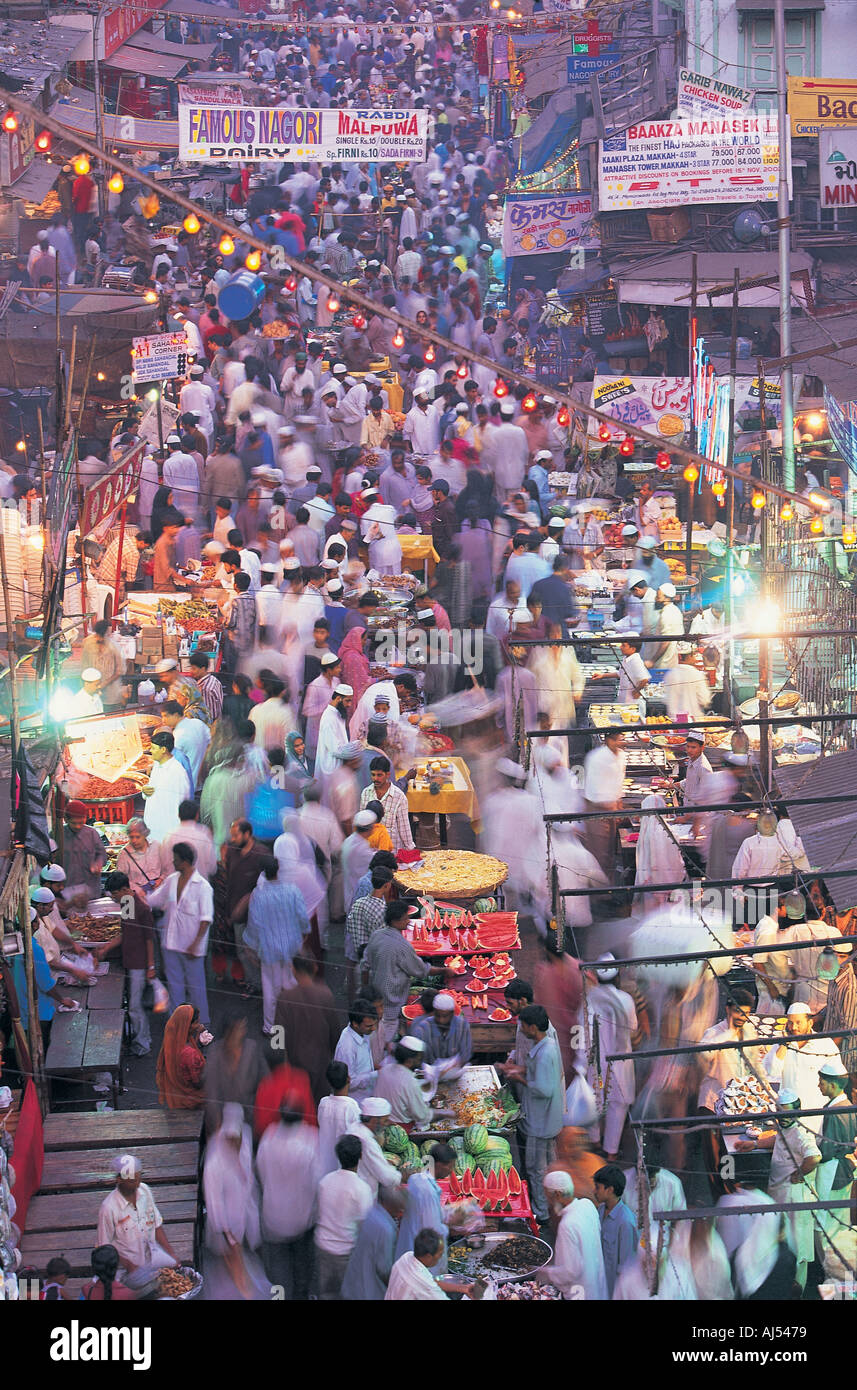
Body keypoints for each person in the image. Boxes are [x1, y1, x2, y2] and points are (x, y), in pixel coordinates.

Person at [734, 1090, 821, 1291]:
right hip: (781, 1195)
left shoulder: (800, 1132)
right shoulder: (786, 1125)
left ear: (797, 1111)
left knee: (797, 1247)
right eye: (780, 1112)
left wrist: (799, 1174)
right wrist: (754, 1143)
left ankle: (796, 1290)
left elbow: (814, 1157)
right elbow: (778, 1139)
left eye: (786, 1112)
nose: (782, 1116)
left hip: (794, 1198)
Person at [256, 1099, 320, 1300]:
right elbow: (317, 1181)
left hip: (273, 1220)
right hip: (303, 1221)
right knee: (302, 1274)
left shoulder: (268, 1137)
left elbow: (261, 1175)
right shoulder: (311, 1139)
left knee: (278, 1278)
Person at [147, 843, 213, 1025]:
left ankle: (201, 1026)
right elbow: (154, 900)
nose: (172, 861)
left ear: (184, 861)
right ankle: (177, 1026)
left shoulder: (203, 887)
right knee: (175, 987)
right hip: (170, 943)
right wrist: (134, 896)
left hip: (192, 948)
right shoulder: (172, 880)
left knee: (196, 989)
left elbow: (206, 919)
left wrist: (195, 943)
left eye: (175, 858)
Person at [243, 856, 309, 1035]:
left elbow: (254, 924)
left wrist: (250, 947)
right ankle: (293, 1021)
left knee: (270, 988)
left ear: (263, 872)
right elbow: (303, 917)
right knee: (291, 983)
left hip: (269, 948)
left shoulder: (259, 894)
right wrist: (303, 934)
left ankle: (270, 1027)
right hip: (292, 946)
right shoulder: (292, 890)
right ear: (278, 869)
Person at [203, 1103, 262, 1299]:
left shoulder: (244, 1139)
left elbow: (248, 1174)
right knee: (234, 1263)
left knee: (241, 1258)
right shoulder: (214, 1163)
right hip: (226, 1223)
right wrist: (226, 1233)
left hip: (242, 1214)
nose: (235, 1143)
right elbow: (214, 1202)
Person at [582, 954, 638, 1161]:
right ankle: (611, 1152)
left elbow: (581, 1032)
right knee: (618, 1104)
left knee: (595, 1100)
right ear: (617, 976)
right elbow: (633, 1029)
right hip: (621, 1061)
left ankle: (595, 1142)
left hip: (595, 1061)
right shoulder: (626, 1000)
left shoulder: (588, 999)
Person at [517, 1004, 565, 1226]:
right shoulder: (548, 1045)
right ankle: (555, 1204)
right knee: (549, 1165)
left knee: (536, 1169)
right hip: (548, 1120)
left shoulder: (544, 1053)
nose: (522, 1028)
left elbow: (544, 1090)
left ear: (533, 1027)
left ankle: (541, 1213)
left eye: (524, 1025)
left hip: (539, 1122)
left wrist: (522, 1080)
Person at [761, 1002, 843, 1131]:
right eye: (790, 1022)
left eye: (798, 1022)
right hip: (789, 1115)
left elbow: (837, 1079)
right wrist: (784, 1044)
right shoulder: (780, 1045)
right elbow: (772, 1071)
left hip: (817, 1116)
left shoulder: (825, 1043)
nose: (794, 1027)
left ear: (810, 1023)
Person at [96, 1155, 179, 1278]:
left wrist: (171, 1253)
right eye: (131, 1181)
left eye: (138, 1179)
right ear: (119, 1180)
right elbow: (103, 1247)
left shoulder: (144, 1190)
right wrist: (129, 1265)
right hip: (125, 1272)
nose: (137, 1185)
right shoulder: (108, 1208)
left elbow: (156, 1224)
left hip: (152, 1259)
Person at [363, 899, 431, 1048]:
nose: (408, 921)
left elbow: (365, 965)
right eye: (405, 918)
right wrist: (443, 970)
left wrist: (365, 990)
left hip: (376, 993)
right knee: (385, 1035)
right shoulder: (402, 945)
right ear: (396, 921)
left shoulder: (376, 935)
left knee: (377, 1029)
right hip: (392, 997)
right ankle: (384, 1056)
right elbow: (419, 970)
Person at [102, 869, 155, 1056]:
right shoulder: (127, 903)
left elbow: (150, 939)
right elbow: (125, 933)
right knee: (134, 1004)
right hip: (129, 960)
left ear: (125, 889)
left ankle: (142, 1045)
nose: (113, 898)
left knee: (134, 1006)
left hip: (139, 964)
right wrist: (106, 947)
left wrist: (151, 966)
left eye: (115, 894)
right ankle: (141, 1038)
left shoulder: (142, 909)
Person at [275, 955, 341, 1105]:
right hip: (321, 1062)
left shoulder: (285, 998)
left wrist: (279, 1063)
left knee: (299, 1104)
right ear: (315, 968)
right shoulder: (325, 994)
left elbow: (277, 1038)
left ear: (294, 970)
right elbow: (334, 1032)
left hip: (295, 1065)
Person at [314, 1133, 373, 1299]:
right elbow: (364, 1226)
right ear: (361, 1156)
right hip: (346, 1253)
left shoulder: (325, 1181)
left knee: (326, 1294)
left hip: (323, 1247)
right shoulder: (362, 1189)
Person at [541, 1169, 608, 1301]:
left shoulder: (567, 1225)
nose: (547, 1201)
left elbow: (569, 1271)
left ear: (557, 1194)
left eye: (548, 1196)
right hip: (597, 1285)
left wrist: (546, 1273)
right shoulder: (587, 1205)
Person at [205, 1012, 266, 1137]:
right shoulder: (215, 1053)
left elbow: (265, 1080)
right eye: (239, 1029)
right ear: (228, 1032)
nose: (243, 1032)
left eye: (244, 1027)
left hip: (249, 1118)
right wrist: (217, 1123)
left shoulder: (252, 1049)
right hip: (223, 1121)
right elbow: (211, 1092)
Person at [341, 1186, 406, 1301]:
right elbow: (384, 1269)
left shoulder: (373, 1212)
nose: (401, 1212)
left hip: (353, 1281)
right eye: (400, 1209)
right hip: (366, 1289)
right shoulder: (385, 1230)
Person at [593, 1164, 639, 1298]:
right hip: (599, 1283)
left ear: (610, 1190)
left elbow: (626, 1267)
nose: (594, 1191)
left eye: (598, 1187)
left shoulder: (626, 1222)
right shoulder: (600, 1210)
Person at [386, 1228, 469, 1301]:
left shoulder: (406, 1257)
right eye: (440, 1253)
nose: (441, 1256)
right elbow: (429, 1286)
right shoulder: (427, 1288)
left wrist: (463, 1288)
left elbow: (432, 1281)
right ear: (429, 1256)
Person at [348, 1096, 404, 1197]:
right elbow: (387, 1178)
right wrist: (402, 1176)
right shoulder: (367, 1141)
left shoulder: (355, 1127)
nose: (387, 1124)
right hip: (363, 1194)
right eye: (385, 1120)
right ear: (374, 1120)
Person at [142, 731, 192, 843]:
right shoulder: (157, 765)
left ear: (163, 750)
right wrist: (145, 791)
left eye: (153, 748)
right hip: (152, 828)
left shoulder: (178, 773)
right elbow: (151, 790)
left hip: (168, 833)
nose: (150, 751)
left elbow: (182, 806)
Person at [375, 1036, 434, 1130]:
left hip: (381, 1125)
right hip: (400, 1130)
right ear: (409, 1061)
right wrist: (441, 1114)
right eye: (419, 1059)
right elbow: (421, 1116)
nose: (420, 1063)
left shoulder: (385, 1070)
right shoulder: (410, 1081)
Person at [358, 755, 415, 851]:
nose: (375, 778)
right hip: (370, 852)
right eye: (373, 775)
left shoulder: (399, 797)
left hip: (392, 853)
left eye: (379, 775)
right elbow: (363, 823)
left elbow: (404, 828)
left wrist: (410, 850)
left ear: (388, 775)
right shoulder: (366, 793)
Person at [156, 1003, 206, 1110]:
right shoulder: (190, 1054)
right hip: (191, 1102)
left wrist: (199, 1043)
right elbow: (198, 1082)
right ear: (187, 1025)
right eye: (196, 1022)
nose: (199, 1025)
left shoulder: (171, 1041)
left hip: (176, 1099)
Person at [318, 1060, 362, 1177]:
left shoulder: (323, 1103)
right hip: (342, 1168)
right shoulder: (351, 1107)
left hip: (323, 1165)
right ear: (348, 1078)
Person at [334, 1000, 379, 1105]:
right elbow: (349, 1081)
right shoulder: (346, 1047)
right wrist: (374, 1075)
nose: (374, 1028)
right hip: (356, 1102)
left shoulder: (362, 1031)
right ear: (355, 1024)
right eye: (369, 1026)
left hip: (367, 1096)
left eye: (374, 1024)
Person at [62, 800, 107, 900]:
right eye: (74, 823)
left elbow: (103, 856)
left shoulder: (92, 834)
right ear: (65, 819)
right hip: (67, 891)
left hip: (90, 889)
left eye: (81, 822)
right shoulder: (58, 835)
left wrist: (97, 864)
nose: (78, 826)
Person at [413, 991, 472, 1065]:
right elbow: (419, 1058)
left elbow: (465, 1054)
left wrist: (453, 1066)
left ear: (452, 1013)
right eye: (438, 1016)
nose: (441, 1020)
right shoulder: (422, 1028)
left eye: (445, 1016)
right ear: (434, 1012)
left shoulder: (463, 1026)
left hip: (456, 1071)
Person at [116, 818, 163, 896]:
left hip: (158, 890)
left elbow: (167, 867)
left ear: (145, 835)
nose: (134, 840)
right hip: (138, 893)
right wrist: (136, 889)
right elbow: (120, 879)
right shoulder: (124, 854)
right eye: (131, 837)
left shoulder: (156, 845)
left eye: (137, 837)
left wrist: (161, 879)